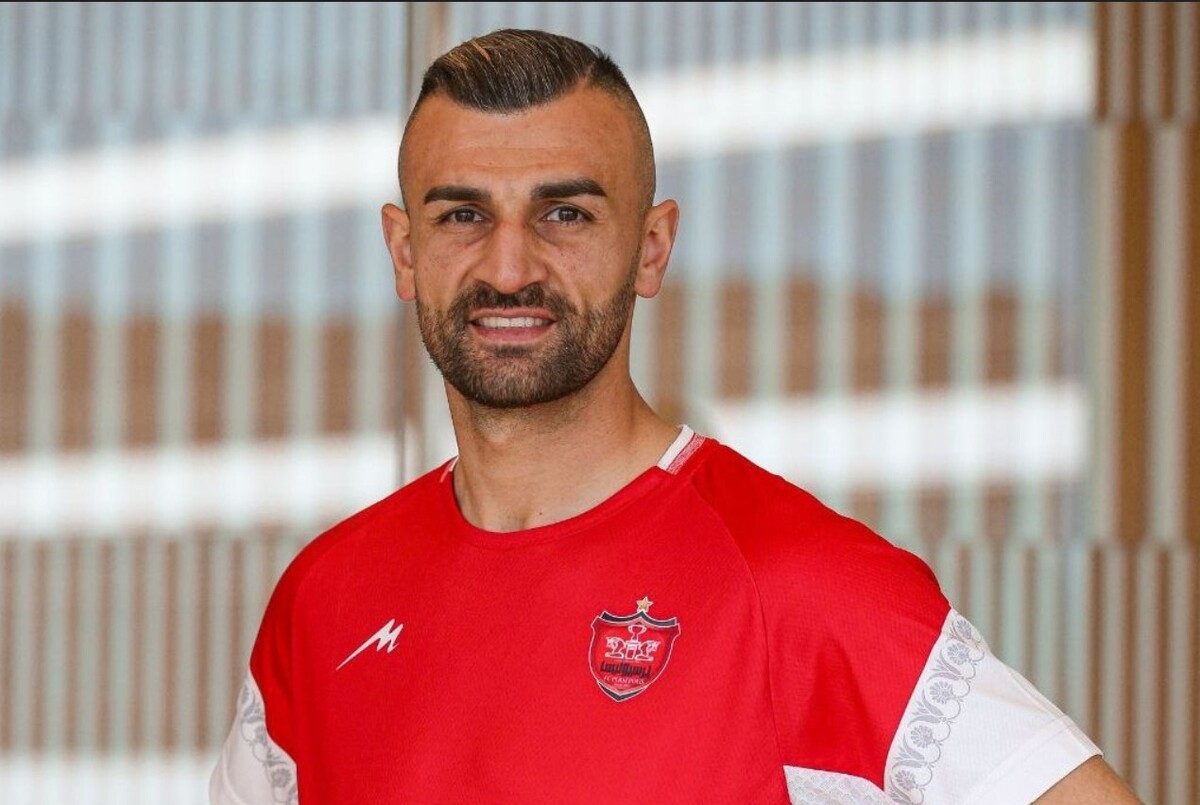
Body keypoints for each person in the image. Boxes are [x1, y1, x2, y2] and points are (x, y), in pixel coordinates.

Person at [210, 29, 1140, 805]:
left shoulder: (802, 587)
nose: (508, 267)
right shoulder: (324, 602)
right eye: (462, 216)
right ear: (404, 250)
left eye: (565, 214)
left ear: (651, 248)